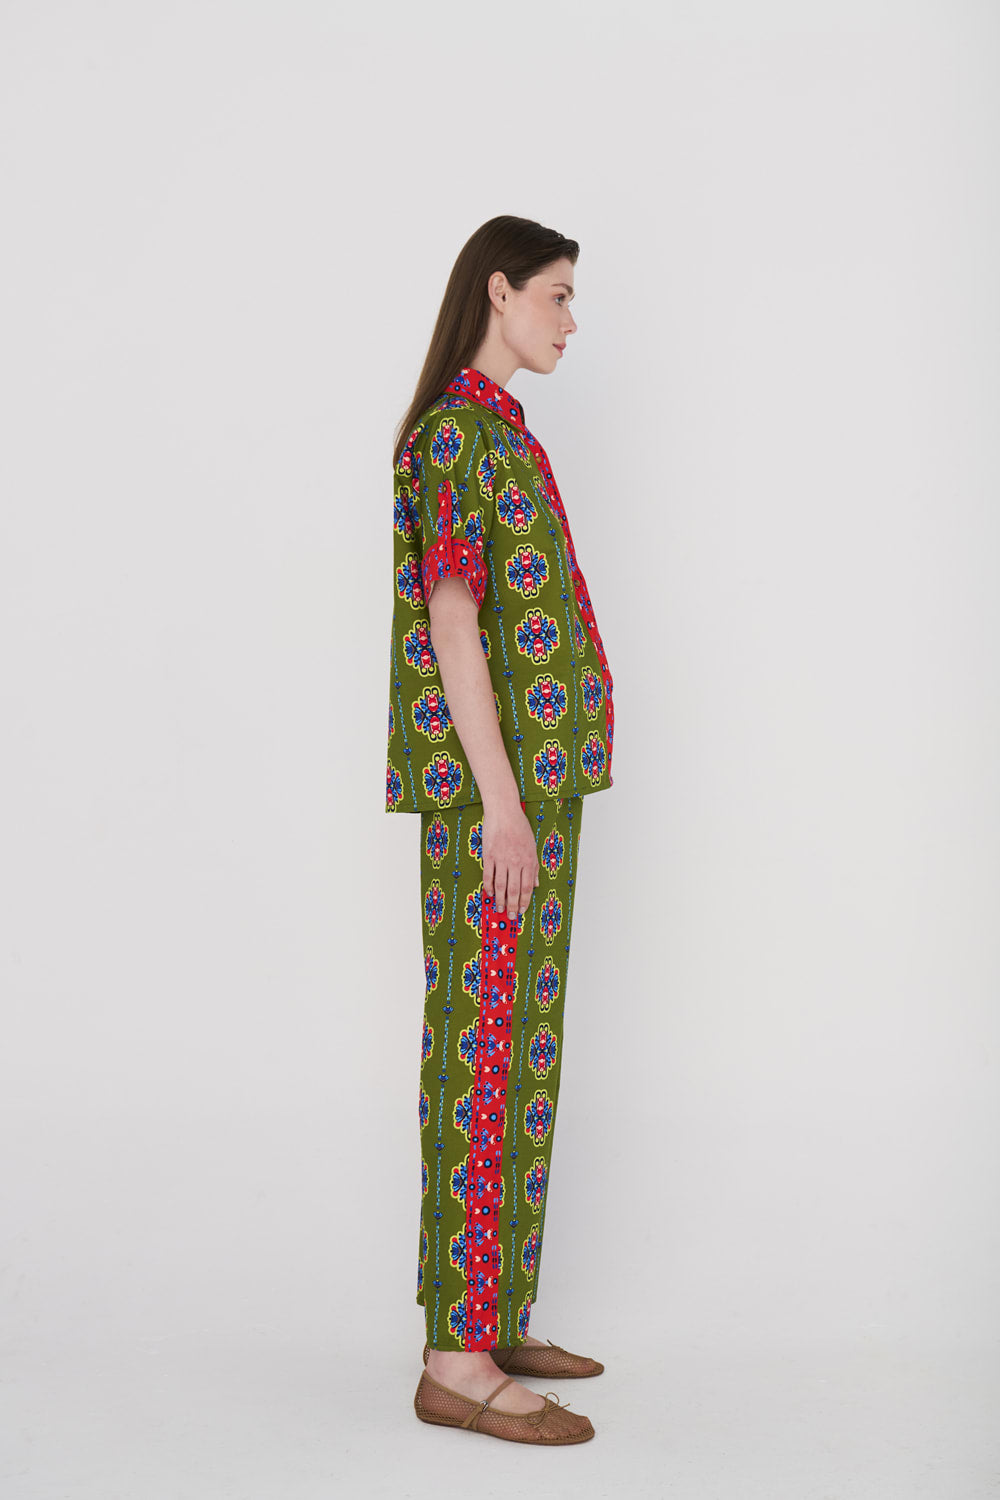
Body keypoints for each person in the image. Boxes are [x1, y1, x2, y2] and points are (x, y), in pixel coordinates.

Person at [385, 216, 615, 1445]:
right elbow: (454, 620)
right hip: (498, 805)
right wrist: (501, 804)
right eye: (557, 295)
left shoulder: (504, 430)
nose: (571, 321)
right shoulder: (454, 436)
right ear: (499, 290)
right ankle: (454, 1363)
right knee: (481, 1058)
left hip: (535, 794)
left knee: (521, 1054)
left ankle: (496, 1312)